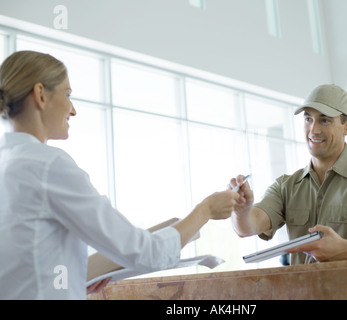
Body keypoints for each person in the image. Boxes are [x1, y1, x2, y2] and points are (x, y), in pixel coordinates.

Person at [0, 50, 239, 300]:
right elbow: (147, 253)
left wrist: (71, 281)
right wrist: (206, 211)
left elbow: (22, 267)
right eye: (67, 95)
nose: (73, 110)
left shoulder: (8, 163)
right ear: (40, 94)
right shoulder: (49, 166)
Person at [230, 84, 347, 265]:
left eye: (324, 120)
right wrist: (241, 209)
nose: (313, 130)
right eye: (308, 119)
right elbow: (247, 227)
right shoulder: (286, 186)